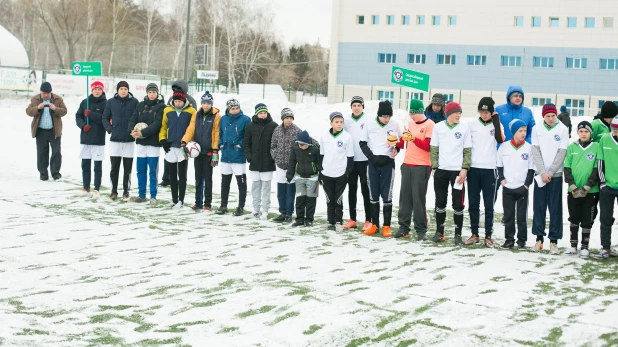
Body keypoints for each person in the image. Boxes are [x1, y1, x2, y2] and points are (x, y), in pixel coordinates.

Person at [464, 97, 504, 248]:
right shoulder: (471, 124)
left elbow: (500, 139)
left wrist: (496, 120)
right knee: (473, 203)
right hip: (474, 169)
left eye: (487, 112)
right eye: (482, 111)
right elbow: (467, 145)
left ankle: (488, 235)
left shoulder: (497, 124)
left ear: (492, 112)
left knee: (489, 205)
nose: (484, 114)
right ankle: (474, 234)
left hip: (490, 169)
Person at [429, 102, 471, 246]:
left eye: (460, 113)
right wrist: (435, 168)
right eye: (455, 113)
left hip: (457, 173)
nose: (458, 115)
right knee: (440, 202)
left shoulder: (464, 128)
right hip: (441, 170)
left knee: (458, 204)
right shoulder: (438, 127)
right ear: (448, 113)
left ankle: (457, 234)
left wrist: (464, 169)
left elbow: (467, 150)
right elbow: (434, 148)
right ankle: (439, 232)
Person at [531, 104, 569, 254]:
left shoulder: (563, 129)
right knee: (539, 207)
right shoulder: (536, 129)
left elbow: (562, 152)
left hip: (556, 175)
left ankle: (554, 241)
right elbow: (535, 151)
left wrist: (551, 172)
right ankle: (539, 239)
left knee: (555, 208)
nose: (551, 118)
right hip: (540, 175)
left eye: (553, 115)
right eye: (548, 116)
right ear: (543, 116)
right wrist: (542, 172)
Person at [359, 101, 401, 238]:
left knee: (387, 195)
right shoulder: (369, 124)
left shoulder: (394, 124)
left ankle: (386, 226)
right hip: (373, 163)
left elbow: (400, 140)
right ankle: (375, 225)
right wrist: (371, 157)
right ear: (379, 115)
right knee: (373, 194)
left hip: (388, 162)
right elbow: (363, 143)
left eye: (389, 116)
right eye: (384, 116)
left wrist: (397, 149)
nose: (387, 119)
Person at [394, 99, 434, 241]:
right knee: (405, 198)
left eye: (413, 114)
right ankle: (403, 227)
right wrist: (396, 143)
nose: (411, 117)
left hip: (422, 165)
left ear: (419, 112)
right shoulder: (410, 124)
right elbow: (405, 141)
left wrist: (413, 138)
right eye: (410, 114)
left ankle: (421, 229)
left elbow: (428, 146)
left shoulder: (430, 125)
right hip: (407, 164)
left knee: (418, 198)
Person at [564, 121, 599, 258]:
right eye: (581, 131)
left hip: (590, 191)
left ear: (590, 133)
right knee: (574, 218)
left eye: (586, 132)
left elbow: (597, 168)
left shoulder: (596, 146)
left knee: (586, 219)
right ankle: (573, 245)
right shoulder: (572, 147)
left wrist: (587, 186)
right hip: (573, 191)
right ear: (578, 133)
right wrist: (572, 186)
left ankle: (585, 247)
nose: (584, 134)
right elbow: (567, 168)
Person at [497, 119, 534, 249]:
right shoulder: (504, 147)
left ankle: (522, 240)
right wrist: (502, 179)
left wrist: (526, 185)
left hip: (522, 187)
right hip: (508, 187)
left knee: (521, 216)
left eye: (525, 130)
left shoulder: (529, 148)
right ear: (514, 132)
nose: (523, 133)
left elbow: (531, 168)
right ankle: (509, 239)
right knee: (508, 215)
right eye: (520, 131)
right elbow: (499, 165)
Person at [181, 91, 220, 211]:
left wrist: (215, 151)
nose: (206, 105)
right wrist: (184, 142)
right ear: (201, 103)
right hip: (197, 152)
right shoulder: (196, 114)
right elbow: (191, 129)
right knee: (198, 179)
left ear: (211, 104)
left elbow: (216, 133)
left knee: (208, 179)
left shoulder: (216, 116)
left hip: (209, 152)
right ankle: (198, 203)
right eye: (204, 103)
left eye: (208, 103)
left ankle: (207, 204)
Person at [128, 82, 165, 205]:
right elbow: (133, 119)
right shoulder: (140, 105)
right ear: (147, 93)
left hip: (153, 143)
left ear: (157, 92)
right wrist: (132, 131)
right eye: (150, 92)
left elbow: (157, 125)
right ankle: (141, 195)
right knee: (140, 169)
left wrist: (142, 133)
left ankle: (153, 196)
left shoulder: (161, 107)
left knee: (152, 171)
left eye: (154, 92)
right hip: (141, 143)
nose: (152, 94)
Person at [158, 91, 196, 209]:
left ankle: (181, 200)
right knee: (172, 174)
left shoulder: (191, 111)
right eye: (175, 101)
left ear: (184, 101)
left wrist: (188, 143)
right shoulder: (167, 110)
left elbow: (192, 128)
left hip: (183, 148)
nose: (177, 103)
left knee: (182, 174)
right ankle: (174, 199)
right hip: (170, 147)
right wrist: (163, 140)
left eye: (179, 101)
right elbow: (164, 126)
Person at [102, 81, 139, 201]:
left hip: (129, 140)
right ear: (117, 90)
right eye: (121, 88)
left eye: (125, 88)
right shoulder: (111, 102)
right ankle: (113, 191)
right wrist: (110, 129)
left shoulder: (134, 102)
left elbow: (138, 118)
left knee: (127, 168)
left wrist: (135, 131)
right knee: (114, 167)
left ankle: (126, 192)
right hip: (115, 140)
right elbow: (105, 118)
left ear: (128, 90)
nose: (123, 90)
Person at [26, 82, 68, 181]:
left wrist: (55, 109)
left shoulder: (58, 99)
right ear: (40, 92)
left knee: (56, 152)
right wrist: (38, 108)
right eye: (44, 93)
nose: (46, 95)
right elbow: (28, 111)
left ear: (51, 92)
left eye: (48, 93)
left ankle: (55, 173)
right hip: (40, 131)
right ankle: (43, 174)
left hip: (54, 131)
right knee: (42, 153)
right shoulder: (35, 99)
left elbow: (64, 111)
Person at [320, 112, 354, 231]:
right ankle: (330, 221)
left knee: (338, 199)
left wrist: (347, 173)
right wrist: (321, 172)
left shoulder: (347, 137)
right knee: (329, 199)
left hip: (340, 174)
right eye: (337, 122)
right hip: (326, 174)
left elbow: (350, 157)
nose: (339, 124)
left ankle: (339, 221)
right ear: (331, 123)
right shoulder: (324, 136)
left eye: (341, 122)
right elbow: (321, 155)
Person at [216, 99, 251, 216]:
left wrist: (239, 145)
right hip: (225, 155)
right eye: (233, 108)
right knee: (225, 183)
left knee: (241, 183)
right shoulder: (223, 119)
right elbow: (220, 133)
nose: (235, 110)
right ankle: (223, 205)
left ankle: (240, 207)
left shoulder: (245, 119)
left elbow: (247, 136)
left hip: (238, 156)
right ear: (228, 109)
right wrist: (220, 143)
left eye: (237, 108)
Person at [160, 79, 197, 187]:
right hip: (171, 135)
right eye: (174, 88)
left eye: (178, 88)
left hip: (184, 135)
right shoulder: (172, 99)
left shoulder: (191, 100)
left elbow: (193, 118)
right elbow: (167, 114)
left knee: (183, 160)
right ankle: (166, 178)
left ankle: (182, 180)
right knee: (168, 158)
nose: (176, 90)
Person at [244, 103, 278, 219]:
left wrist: (273, 157)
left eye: (265, 113)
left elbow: (276, 144)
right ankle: (255, 209)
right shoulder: (250, 126)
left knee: (266, 188)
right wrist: (250, 157)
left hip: (268, 163)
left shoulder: (273, 125)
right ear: (256, 113)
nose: (263, 115)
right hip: (255, 162)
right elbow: (246, 143)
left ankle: (265, 210)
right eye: (261, 113)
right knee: (255, 187)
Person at [343, 96, 372, 231]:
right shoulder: (346, 121)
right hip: (351, 160)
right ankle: (353, 219)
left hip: (365, 160)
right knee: (352, 189)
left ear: (363, 107)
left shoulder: (368, 120)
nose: (356, 107)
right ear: (351, 107)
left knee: (366, 190)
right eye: (354, 105)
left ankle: (368, 219)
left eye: (359, 105)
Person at [75, 80, 107, 198]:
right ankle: (85, 187)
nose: (97, 91)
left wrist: (91, 114)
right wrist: (83, 125)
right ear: (92, 90)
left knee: (97, 166)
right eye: (95, 89)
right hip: (86, 138)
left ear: (102, 90)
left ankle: (96, 188)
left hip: (98, 139)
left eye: (99, 89)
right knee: (85, 164)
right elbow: (78, 116)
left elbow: (105, 119)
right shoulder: (85, 102)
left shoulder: (105, 103)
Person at [271, 108, 301, 223]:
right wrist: (276, 157)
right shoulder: (277, 130)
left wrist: (295, 161)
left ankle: (289, 213)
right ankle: (282, 212)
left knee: (290, 192)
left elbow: (301, 145)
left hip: (291, 167)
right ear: (283, 119)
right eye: (287, 118)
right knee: (281, 192)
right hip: (279, 166)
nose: (289, 120)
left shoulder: (297, 130)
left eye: (291, 118)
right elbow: (273, 145)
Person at [595, 117, 618, 259]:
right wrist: (602, 183)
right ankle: (606, 248)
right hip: (607, 186)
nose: (616, 133)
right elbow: (600, 162)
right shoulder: (604, 139)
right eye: (614, 130)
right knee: (605, 218)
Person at [287, 130, 320, 227]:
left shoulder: (315, 148)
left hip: (312, 178)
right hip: (299, 178)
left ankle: (309, 219)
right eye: (300, 145)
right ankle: (299, 219)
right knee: (300, 199)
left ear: (308, 143)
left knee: (311, 200)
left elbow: (320, 163)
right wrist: (289, 175)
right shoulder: (295, 147)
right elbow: (292, 161)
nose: (302, 147)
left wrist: (321, 176)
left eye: (304, 145)